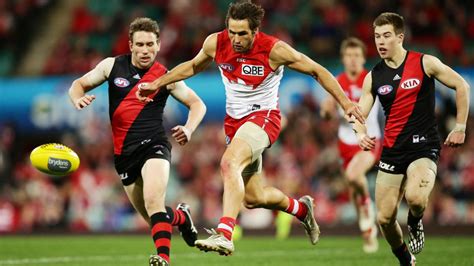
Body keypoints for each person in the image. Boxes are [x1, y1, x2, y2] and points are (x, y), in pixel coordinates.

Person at [138, 1, 364, 256]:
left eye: (242, 33)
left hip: (264, 118)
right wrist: (158, 82)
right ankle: (301, 209)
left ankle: (225, 234)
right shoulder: (216, 42)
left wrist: (345, 102)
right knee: (253, 197)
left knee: (228, 163)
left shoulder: (273, 49)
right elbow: (192, 66)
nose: (235, 38)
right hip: (235, 124)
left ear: (255, 31)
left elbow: (316, 70)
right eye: (232, 31)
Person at [68, 17, 207, 266]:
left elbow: (197, 104)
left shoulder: (165, 76)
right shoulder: (112, 67)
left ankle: (163, 259)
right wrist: (77, 98)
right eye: (140, 44)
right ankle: (182, 218)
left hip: (155, 145)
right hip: (124, 154)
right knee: (153, 217)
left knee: (154, 201)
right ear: (131, 45)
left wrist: (189, 127)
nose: (145, 50)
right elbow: (78, 84)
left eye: (150, 45)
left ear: (159, 45)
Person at [352, 12, 470, 265]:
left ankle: (415, 221)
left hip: (423, 147)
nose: (380, 42)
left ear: (400, 37)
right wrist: (360, 134)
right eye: (376, 37)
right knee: (383, 218)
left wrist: (460, 126)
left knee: (415, 198)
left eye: (386, 36)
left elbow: (462, 85)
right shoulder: (373, 76)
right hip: (393, 152)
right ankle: (406, 260)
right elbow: (358, 112)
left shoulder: (425, 62)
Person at [320, 37, 381, 253]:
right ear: (343, 59)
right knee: (354, 187)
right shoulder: (336, 82)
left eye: (357, 56)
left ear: (364, 58)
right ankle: (367, 229)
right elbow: (326, 114)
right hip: (345, 142)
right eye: (349, 56)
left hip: (369, 139)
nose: (353, 60)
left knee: (354, 176)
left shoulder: (372, 79)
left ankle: (368, 221)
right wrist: (326, 111)